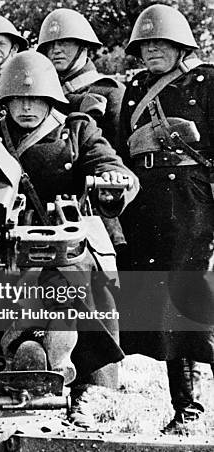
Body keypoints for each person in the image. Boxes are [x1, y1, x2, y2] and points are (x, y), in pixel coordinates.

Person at [0, 51, 137, 426]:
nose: (25, 107)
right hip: (3, 239)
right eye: (17, 99)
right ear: (4, 100)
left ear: (50, 99)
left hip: (64, 235)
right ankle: (23, 359)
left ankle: (87, 387)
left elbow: (106, 162)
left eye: (35, 98)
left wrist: (113, 179)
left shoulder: (77, 130)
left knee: (80, 284)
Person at [117, 4, 214, 434]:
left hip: (190, 199)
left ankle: (191, 409)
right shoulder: (136, 87)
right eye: (146, 44)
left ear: (181, 46)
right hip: (145, 201)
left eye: (162, 43)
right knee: (160, 306)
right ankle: (183, 404)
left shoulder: (206, 81)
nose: (153, 50)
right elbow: (121, 148)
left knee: (189, 295)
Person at [36, 7, 127, 427]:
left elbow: (115, 153)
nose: (56, 51)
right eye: (50, 45)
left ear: (84, 48)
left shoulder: (108, 90)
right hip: (42, 208)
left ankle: (97, 392)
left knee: (94, 294)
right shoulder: (37, 86)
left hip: (91, 205)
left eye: (65, 44)